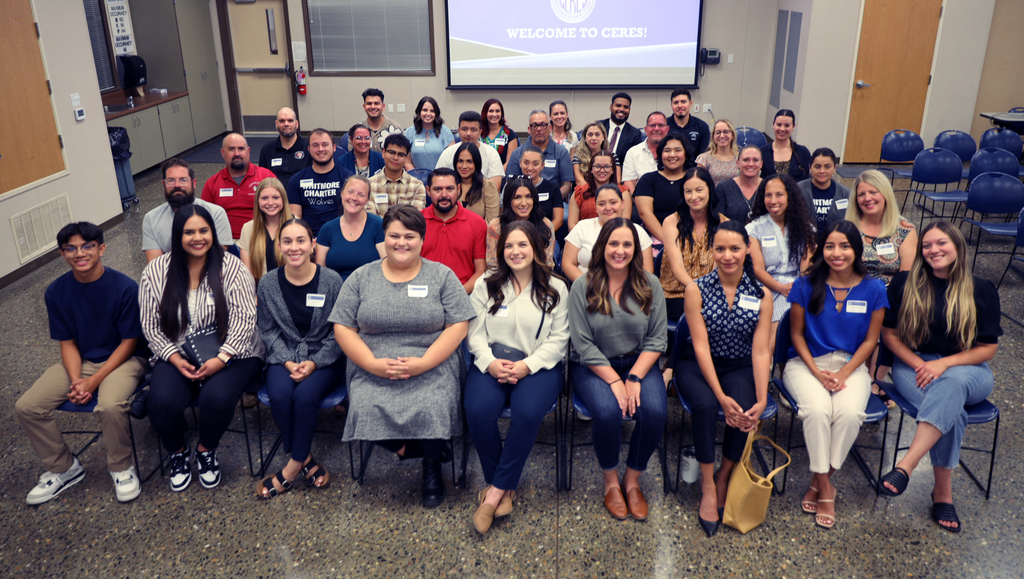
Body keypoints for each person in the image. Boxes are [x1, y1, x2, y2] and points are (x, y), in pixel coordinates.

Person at [330, 205, 475, 508]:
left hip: (432, 359)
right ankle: (412, 449)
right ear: (384, 237)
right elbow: (343, 327)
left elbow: (459, 325)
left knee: (433, 402)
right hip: (373, 361)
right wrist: (371, 364)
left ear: (422, 239)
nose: (401, 242)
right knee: (364, 406)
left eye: (409, 236)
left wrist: (423, 363)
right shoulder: (361, 277)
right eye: (394, 235)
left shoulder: (441, 276)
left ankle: (432, 468)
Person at [878, 222, 1001, 534]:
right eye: (927, 245)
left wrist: (944, 364)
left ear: (957, 245)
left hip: (968, 370)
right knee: (952, 409)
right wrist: (922, 363)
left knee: (953, 384)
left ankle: (907, 465)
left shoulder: (981, 289)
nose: (933, 250)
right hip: (914, 366)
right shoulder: (905, 283)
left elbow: (987, 349)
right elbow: (889, 335)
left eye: (941, 243)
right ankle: (942, 494)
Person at [16, 222, 147, 505]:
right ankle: (64, 468)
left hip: (124, 359)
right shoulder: (56, 291)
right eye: (70, 249)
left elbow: (129, 342)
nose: (79, 254)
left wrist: (93, 381)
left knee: (110, 405)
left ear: (101, 248)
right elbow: (68, 343)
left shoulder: (124, 287)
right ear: (62, 254)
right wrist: (77, 379)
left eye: (87, 246)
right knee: (28, 406)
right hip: (82, 360)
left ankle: (122, 467)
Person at [139, 205, 264, 492]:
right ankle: (179, 452)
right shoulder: (157, 271)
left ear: (213, 232)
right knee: (161, 401)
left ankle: (206, 451)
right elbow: (150, 324)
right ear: (177, 235)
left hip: (235, 351)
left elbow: (245, 319)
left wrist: (222, 358)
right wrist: (172, 357)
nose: (198, 238)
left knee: (216, 398)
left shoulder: (232, 268)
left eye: (203, 230)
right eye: (189, 232)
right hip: (178, 351)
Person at [465, 220, 569, 534]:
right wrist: (489, 361)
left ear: (537, 249)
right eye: (509, 246)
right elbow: (473, 332)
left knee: (527, 412)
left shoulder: (556, 287)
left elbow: (560, 339)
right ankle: (505, 488)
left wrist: (528, 365)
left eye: (522, 244)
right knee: (478, 410)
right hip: (493, 361)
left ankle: (494, 492)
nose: (515, 251)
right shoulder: (486, 284)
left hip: (539, 366)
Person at [783, 221, 887, 529]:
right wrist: (816, 371)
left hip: (851, 365)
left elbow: (871, 341)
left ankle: (820, 479)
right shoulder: (806, 284)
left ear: (856, 250)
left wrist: (844, 372)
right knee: (816, 411)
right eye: (830, 246)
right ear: (821, 249)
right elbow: (797, 335)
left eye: (844, 246)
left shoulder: (874, 288)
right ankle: (827, 489)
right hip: (806, 363)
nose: (836, 253)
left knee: (849, 412)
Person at [675, 220, 772, 537]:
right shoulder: (696, 289)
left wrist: (761, 398)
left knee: (744, 410)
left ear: (747, 250)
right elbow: (700, 346)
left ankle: (723, 475)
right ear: (711, 251)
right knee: (704, 405)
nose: (727, 255)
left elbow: (760, 351)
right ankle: (707, 485)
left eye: (734, 248)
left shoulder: (761, 294)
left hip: (740, 364)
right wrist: (719, 394)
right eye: (720, 248)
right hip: (698, 365)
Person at [567, 217, 668, 522]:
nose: (620, 250)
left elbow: (657, 338)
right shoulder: (582, 286)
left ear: (635, 249)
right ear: (602, 247)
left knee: (655, 411)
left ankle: (632, 479)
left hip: (638, 361)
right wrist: (614, 381)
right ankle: (611, 481)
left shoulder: (650, 283)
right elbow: (582, 344)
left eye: (627, 244)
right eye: (614, 243)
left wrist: (634, 377)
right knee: (609, 412)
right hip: (593, 365)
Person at [255, 218, 343, 498]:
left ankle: (292, 466)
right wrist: (288, 361)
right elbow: (267, 330)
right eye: (288, 241)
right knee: (280, 395)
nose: (295, 247)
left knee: (304, 397)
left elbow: (339, 331)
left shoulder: (331, 281)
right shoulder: (268, 283)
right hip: (284, 356)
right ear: (279, 247)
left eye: (301, 240)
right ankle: (306, 460)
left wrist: (315, 362)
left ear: (312, 244)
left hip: (324, 358)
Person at [746, 174, 817, 352]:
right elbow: (758, 270)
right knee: (776, 332)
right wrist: (781, 288)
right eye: (768, 195)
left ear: (789, 196)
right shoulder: (754, 228)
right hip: (766, 286)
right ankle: (768, 370)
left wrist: (796, 287)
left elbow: (806, 268)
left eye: (779, 194)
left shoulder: (805, 228)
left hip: (798, 285)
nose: (773, 200)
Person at [660, 167, 727, 325]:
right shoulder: (672, 222)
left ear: (709, 190)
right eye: (688, 191)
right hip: (675, 294)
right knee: (698, 317)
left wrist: (705, 293)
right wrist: (696, 291)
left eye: (699, 190)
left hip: (712, 293)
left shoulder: (724, 224)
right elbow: (677, 268)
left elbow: (718, 269)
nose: (694, 196)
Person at [143, 158, 233, 262]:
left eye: (183, 180)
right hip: (170, 276)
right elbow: (156, 266)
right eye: (171, 180)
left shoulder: (216, 213)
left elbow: (217, 259)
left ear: (194, 183)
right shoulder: (151, 218)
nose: (177, 185)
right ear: (164, 185)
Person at [563, 185, 653, 283]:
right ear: (596, 207)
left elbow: (647, 270)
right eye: (601, 204)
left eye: (613, 202)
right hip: (587, 288)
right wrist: (589, 286)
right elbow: (567, 264)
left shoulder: (638, 231)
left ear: (623, 204)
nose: (608, 208)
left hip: (629, 291)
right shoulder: (582, 227)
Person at [421, 168, 488, 293]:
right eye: (438, 189)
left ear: (458, 190)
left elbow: (480, 271)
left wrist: (458, 295)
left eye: (450, 189)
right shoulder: (416, 222)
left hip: (464, 294)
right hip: (423, 294)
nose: (444, 195)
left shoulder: (477, 223)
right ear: (428, 191)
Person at [846, 169, 917, 286]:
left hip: (890, 295)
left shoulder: (905, 230)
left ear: (885, 194)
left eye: (873, 192)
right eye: (861, 194)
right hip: (854, 293)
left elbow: (905, 278)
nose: (867, 198)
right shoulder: (848, 228)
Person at [200, 133, 277, 241]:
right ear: (223, 153)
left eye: (241, 149)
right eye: (231, 149)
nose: (237, 153)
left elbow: (279, 210)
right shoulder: (212, 183)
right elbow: (203, 218)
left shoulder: (266, 177)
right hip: (226, 241)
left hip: (260, 238)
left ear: (248, 151)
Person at [315, 175, 386, 281]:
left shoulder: (378, 225)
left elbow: (386, 266)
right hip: (337, 292)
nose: (354, 198)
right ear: (342, 193)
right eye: (350, 192)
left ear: (367, 200)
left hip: (370, 290)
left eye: (361, 195)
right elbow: (321, 274)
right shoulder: (327, 229)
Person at [287, 128, 355, 237]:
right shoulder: (296, 180)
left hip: (341, 237)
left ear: (334, 148)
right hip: (308, 239)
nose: (320, 149)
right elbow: (295, 218)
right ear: (308, 149)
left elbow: (355, 215)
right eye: (315, 145)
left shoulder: (349, 178)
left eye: (325, 144)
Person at [634, 132, 692, 247]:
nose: (672, 155)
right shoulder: (648, 179)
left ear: (686, 153)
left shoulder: (695, 178)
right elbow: (645, 213)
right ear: (660, 154)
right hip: (657, 237)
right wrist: (669, 242)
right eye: (667, 151)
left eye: (678, 150)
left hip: (692, 235)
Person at [485, 177, 556, 269]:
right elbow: (493, 265)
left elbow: (547, 264)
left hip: (537, 278)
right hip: (503, 278)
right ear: (508, 200)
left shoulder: (546, 225)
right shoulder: (496, 226)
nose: (523, 203)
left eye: (528, 197)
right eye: (517, 197)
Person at [506, 110, 574, 200]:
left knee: (565, 214)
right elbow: (510, 183)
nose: (539, 129)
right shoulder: (517, 154)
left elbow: (567, 184)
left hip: (553, 201)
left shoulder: (561, 152)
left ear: (550, 128)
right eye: (534, 125)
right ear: (529, 130)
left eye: (543, 125)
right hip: (523, 201)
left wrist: (552, 199)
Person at [239, 177, 294, 282]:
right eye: (264, 198)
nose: (270, 203)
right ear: (258, 201)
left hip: (291, 291)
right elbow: (248, 276)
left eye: (276, 197)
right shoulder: (248, 229)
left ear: (283, 199)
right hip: (259, 293)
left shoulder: (297, 226)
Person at [436, 111, 503, 190]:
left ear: (480, 132)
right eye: (464, 129)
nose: (468, 133)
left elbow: (495, 188)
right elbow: (438, 182)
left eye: (473, 130)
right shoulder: (448, 153)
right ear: (459, 130)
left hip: (482, 199)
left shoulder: (491, 153)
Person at [797, 148, 851, 246]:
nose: (822, 171)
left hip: (835, 246)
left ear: (834, 168)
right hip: (804, 245)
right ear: (810, 167)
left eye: (827, 167)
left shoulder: (845, 193)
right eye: (817, 167)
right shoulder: (797, 190)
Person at [365, 133, 426, 215]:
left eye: (401, 155)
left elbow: (414, 221)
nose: (395, 158)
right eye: (391, 152)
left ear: (406, 158)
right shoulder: (368, 185)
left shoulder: (417, 186)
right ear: (383, 153)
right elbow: (371, 220)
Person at [517, 145, 565, 233]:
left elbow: (558, 220)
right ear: (520, 163)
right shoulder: (512, 187)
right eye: (526, 163)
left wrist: (541, 236)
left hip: (545, 235)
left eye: (535, 164)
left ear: (542, 165)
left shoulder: (552, 187)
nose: (530, 168)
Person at [259, 107, 311, 186]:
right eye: (282, 121)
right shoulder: (267, 150)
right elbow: (263, 181)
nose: (286, 124)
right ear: (276, 124)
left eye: (290, 120)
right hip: (276, 196)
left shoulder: (309, 147)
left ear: (296, 124)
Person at [571, 149, 622, 230]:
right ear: (591, 169)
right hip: (585, 238)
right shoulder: (579, 192)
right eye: (597, 166)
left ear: (612, 170)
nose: (602, 170)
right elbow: (572, 225)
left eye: (607, 167)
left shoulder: (622, 192)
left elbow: (625, 223)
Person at [622, 112, 670, 193]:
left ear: (667, 129)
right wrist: (643, 199)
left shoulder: (675, 153)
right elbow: (629, 183)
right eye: (652, 125)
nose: (657, 129)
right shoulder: (633, 152)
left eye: (661, 125)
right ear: (646, 130)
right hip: (639, 200)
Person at [716, 145, 764, 224]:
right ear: (738, 163)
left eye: (755, 160)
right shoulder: (723, 188)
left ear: (761, 164)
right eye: (746, 160)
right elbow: (718, 220)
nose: (751, 164)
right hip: (731, 235)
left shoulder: (769, 187)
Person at [454, 141, 500, 223]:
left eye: (469, 161)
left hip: (481, 235)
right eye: (460, 161)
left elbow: (491, 223)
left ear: (476, 163)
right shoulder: (449, 186)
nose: (464, 166)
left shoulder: (488, 186)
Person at [404, 96, 454, 170]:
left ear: (436, 113)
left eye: (432, 111)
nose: (428, 114)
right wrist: (417, 178)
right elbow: (407, 162)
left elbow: (450, 161)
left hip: (440, 177)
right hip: (415, 178)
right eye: (424, 110)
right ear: (419, 112)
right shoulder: (409, 133)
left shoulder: (446, 132)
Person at [761, 109, 811, 182]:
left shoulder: (803, 152)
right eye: (779, 124)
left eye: (787, 125)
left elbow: (806, 181)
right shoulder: (762, 152)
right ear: (773, 125)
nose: (782, 129)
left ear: (793, 126)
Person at [573, 121, 622, 187]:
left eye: (597, 134)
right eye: (590, 135)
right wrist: (593, 192)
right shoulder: (578, 156)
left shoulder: (612, 156)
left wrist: (603, 192)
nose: (593, 138)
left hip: (609, 192)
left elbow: (617, 180)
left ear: (603, 137)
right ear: (585, 138)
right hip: (586, 193)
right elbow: (579, 181)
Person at [599, 92, 644, 162]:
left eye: (626, 107)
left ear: (629, 110)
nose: (622, 109)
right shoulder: (598, 126)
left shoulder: (634, 134)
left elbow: (635, 160)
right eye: (618, 105)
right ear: (611, 107)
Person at [355, 88, 402, 153]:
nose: (373, 107)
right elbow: (353, 156)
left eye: (376, 103)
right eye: (369, 103)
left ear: (383, 106)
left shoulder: (396, 129)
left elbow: (402, 156)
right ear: (364, 107)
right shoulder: (356, 131)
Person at [666, 88, 710, 155]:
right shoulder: (664, 125)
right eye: (676, 103)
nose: (680, 106)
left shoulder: (702, 127)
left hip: (694, 165)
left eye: (683, 102)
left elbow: (703, 157)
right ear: (671, 105)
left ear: (690, 103)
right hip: (669, 164)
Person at [695, 119, 740, 185]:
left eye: (726, 132)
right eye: (718, 132)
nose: (722, 135)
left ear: (732, 135)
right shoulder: (704, 159)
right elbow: (698, 183)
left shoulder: (741, 158)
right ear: (713, 136)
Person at [481, 98, 519, 169]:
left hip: (502, 176)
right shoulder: (478, 133)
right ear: (485, 113)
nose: (494, 114)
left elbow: (510, 162)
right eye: (491, 111)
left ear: (501, 114)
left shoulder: (510, 135)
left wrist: (497, 175)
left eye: (497, 111)